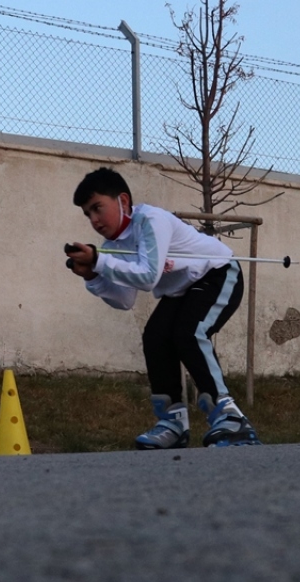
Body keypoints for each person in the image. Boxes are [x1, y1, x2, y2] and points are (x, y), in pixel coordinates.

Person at [65, 167, 260, 448]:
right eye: (87, 214)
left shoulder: (150, 220)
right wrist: (94, 277)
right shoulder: (109, 247)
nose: (94, 220)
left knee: (189, 333)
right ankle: (172, 422)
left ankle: (230, 417)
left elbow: (147, 278)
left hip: (218, 272)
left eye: (97, 208)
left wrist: (98, 262)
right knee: (155, 337)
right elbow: (125, 299)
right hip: (182, 288)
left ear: (122, 200)